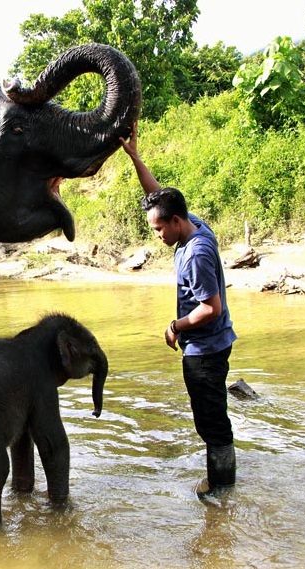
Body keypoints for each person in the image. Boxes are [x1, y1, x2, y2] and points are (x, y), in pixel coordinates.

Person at [121, 124, 238, 497]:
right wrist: (136, 158)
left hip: (205, 350)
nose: (158, 236)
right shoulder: (195, 226)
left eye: (158, 229)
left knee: (211, 423)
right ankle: (221, 482)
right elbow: (157, 195)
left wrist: (175, 325)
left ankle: (221, 490)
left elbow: (211, 308)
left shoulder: (196, 253)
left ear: (175, 221)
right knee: (211, 417)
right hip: (209, 346)